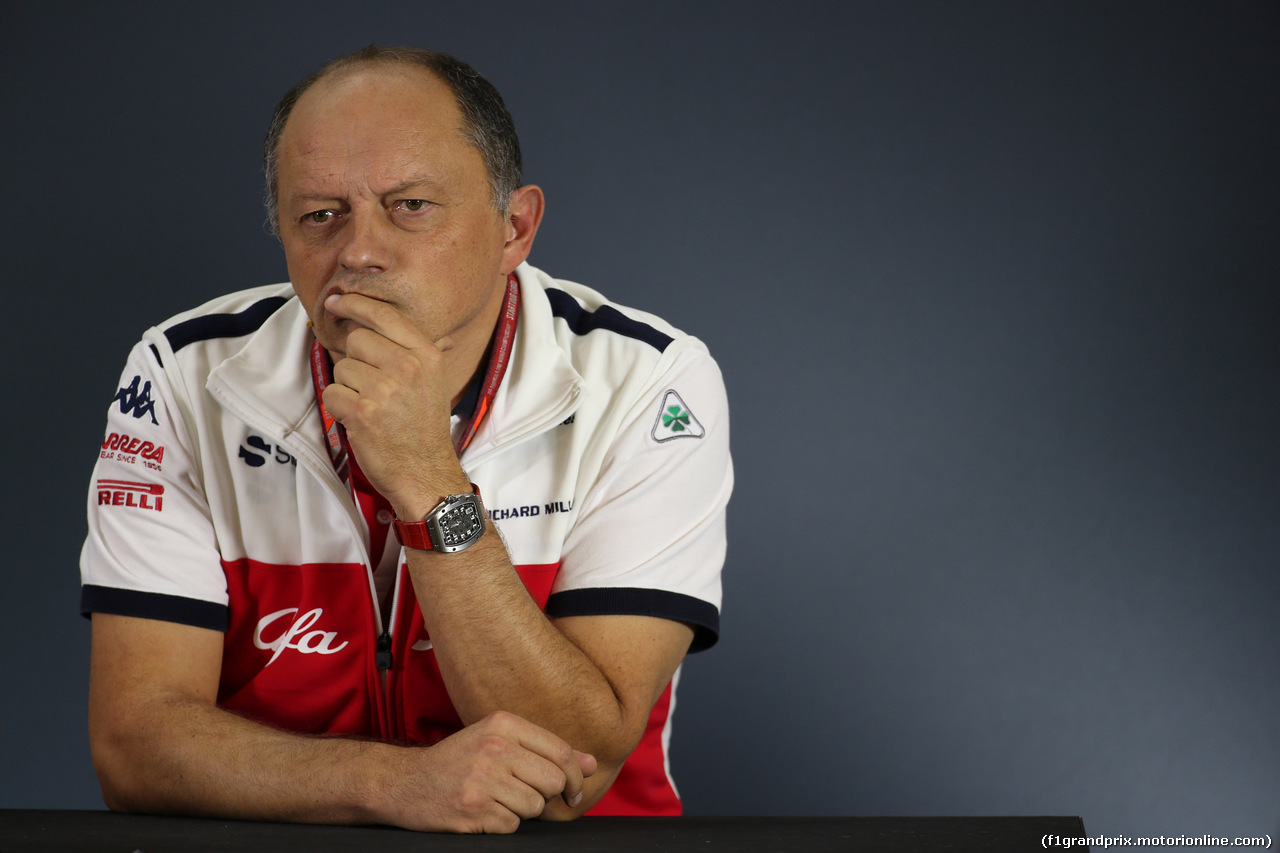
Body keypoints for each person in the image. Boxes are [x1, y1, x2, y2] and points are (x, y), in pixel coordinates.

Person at [80, 45, 731, 833]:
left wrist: (428, 477)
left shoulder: (650, 382)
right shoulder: (181, 374)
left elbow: (573, 771)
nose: (358, 251)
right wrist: (395, 784)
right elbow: (134, 744)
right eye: (320, 214)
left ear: (514, 228)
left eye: (410, 205)